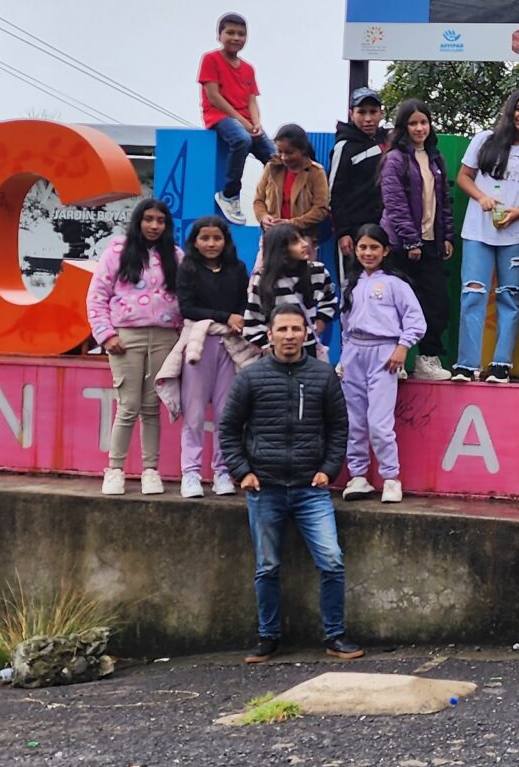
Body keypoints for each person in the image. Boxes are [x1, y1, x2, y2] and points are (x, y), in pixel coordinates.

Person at [218, 301, 361, 663]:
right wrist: (242, 472)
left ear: (306, 333)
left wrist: (329, 470)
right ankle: (268, 637)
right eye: (282, 329)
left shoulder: (323, 375)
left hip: (311, 489)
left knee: (331, 560)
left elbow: (338, 427)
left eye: (296, 329)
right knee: (267, 566)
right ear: (270, 334)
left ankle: (336, 636)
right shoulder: (250, 376)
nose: (290, 336)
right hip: (264, 488)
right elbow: (229, 428)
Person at [87, 196, 182, 497]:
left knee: (152, 407)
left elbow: (187, 297)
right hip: (125, 338)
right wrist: (105, 334)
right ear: (138, 221)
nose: (154, 226)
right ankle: (115, 469)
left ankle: (150, 471)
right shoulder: (117, 251)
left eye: (160, 221)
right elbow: (97, 296)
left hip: (166, 337)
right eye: (148, 219)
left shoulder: (176, 256)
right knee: (127, 406)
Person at [453, 89, 519, 381]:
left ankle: (501, 364)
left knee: (510, 297)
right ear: (509, 110)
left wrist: (517, 213)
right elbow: (463, 177)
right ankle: (466, 364)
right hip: (478, 232)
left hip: (516, 234)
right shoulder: (484, 140)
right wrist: (482, 198)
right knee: (473, 295)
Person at [336, 226, 427, 501]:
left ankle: (391, 477)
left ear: (385, 250)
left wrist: (402, 348)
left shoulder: (396, 285)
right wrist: (343, 358)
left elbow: (415, 321)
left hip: (384, 354)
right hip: (353, 353)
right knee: (354, 421)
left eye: (374, 247)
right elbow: (345, 326)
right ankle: (358, 476)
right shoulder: (350, 284)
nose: (367, 253)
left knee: (379, 422)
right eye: (363, 247)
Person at [169, 212, 251, 499]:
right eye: (205, 238)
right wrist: (223, 316)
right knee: (193, 414)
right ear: (195, 241)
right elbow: (187, 307)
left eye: (217, 238)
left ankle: (222, 472)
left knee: (226, 414)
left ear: (226, 241)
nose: (211, 243)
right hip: (198, 344)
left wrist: (237, 317)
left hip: (230, 345)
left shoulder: (238, 268)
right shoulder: (188, 267)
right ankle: (190, 473)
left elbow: (243, 302)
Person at [378, 99, 455, 381]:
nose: (419, 128)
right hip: (400, 247)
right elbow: (395, 203)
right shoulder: (395, 158)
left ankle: (428, 359)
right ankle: (395, 362)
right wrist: (411, 241)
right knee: (397, 304)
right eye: (413, 123)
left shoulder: (436, 158)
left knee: (437, 303)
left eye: (424, 122)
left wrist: (446, 235)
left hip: (431, 245)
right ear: (403, 127)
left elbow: (444, 201)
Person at [199, 13, 273, 220]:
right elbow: (213, 96)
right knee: (241, 139)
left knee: (275, 157)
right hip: (219, 116)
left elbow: (252, 100)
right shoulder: (210, 59)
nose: (236, 38)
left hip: (246, 121)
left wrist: (256, 123)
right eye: (230, 32)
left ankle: (272, 200)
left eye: (241, 34)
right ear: (219, 35)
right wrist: (244, 123)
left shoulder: (248, 68)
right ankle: (229, 194)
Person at [243, 219, 337, 356]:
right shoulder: (263, 279)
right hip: (276, 352)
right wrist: (267, 346)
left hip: (308, 348)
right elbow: (252, 320)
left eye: (302, 238)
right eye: (295, 242)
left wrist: (321, 321)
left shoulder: (318, 271)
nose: (305, 244)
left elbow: (330, 299)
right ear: (280, 249)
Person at [328, 87, 388, 300]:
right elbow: (333, 193)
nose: (368, 118)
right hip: (353, 233)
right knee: (352, 291)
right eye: (362, 112)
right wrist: (343, 232)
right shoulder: (344, 146)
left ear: (381, 113)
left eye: (373, 111)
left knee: (382, 291)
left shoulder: (389, 142)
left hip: (383, 231)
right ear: (351, 113)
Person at [253, 122, 331, 241]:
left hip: (303, 238)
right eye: (279, 151)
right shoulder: (270, 167)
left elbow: (320, 209)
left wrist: (292, 224)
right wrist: (263, 217)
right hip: (272, 237)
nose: (284, 157)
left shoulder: (316, 172)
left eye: (289, 152)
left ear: (303, 150)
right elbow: (258, 200)